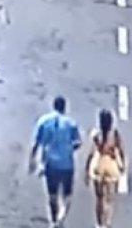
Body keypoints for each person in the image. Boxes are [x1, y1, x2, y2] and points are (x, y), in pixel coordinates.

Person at [30, 95, 82, 228]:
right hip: (67, 164)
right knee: (67, 195)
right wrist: (69, 148)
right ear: (64, 108)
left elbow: (36, 143)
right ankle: (61, 217)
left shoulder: (43, 121)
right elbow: (77, 142)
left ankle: (54, 221)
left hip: (50, 163)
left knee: (52, 194)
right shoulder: (71, 123)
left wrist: (33, 161)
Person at [84, 108, 126, 228]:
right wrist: (122, 165)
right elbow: (122, 151)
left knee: (99, 198)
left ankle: (99, 223)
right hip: (111, 167)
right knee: (109, 198)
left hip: (99, 165)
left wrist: (87, 170)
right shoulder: (115, 135)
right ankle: (107, 222)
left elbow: (91, 153)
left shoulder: (97, 135)